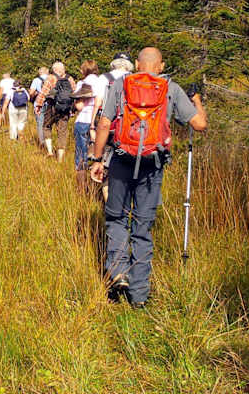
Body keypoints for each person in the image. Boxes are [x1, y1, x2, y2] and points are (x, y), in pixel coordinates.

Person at [89, 47, 207, 307]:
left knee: (116, 217)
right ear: (160, 65)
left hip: (121, 160)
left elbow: (105, 123)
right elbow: (199, 124)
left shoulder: (121, 84)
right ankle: (139, 296)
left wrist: (97, 159)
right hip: (153, 165)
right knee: (142, 228)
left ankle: (118, 272)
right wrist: (196, 100)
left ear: (136, 64)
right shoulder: (170, 88)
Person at [90, 52, 134, 201]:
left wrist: (92, 124)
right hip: (130, 129)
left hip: (109, 126)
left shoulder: (105, 78)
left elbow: (98, 102)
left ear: (113, 63)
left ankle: (110, 205)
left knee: (106, 165)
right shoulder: (134, 79)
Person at [35, 62, 77, 162]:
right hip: (65, 109)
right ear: (63, 69)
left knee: (46, 126)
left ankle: (49, 151)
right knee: (62, 132)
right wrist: (73, 108)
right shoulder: (69, 78)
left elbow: (43, 92)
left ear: (54, 69)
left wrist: (38, 105)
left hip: (52, 107)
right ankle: (60, 158)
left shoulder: (51, 78)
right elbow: (74, 93)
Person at [72, 60, 101, 191]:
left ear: (84, 70)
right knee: (98, 155)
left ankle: (82, 189)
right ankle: (99, 186)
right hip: (99, 122)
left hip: (84, 121)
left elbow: (79, 106)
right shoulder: (103, 82)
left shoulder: (82, 83)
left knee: (81, 156)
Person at [29, 67, 49, 146]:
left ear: (39, 72)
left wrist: (33, 96)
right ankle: (49, 142)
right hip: (50, 104)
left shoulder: (36, 80)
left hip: (39, 104)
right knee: (48, 124)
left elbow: (31, 92)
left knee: (40, 124)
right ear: (47, 72)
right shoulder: (51, 79)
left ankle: (42, 143)